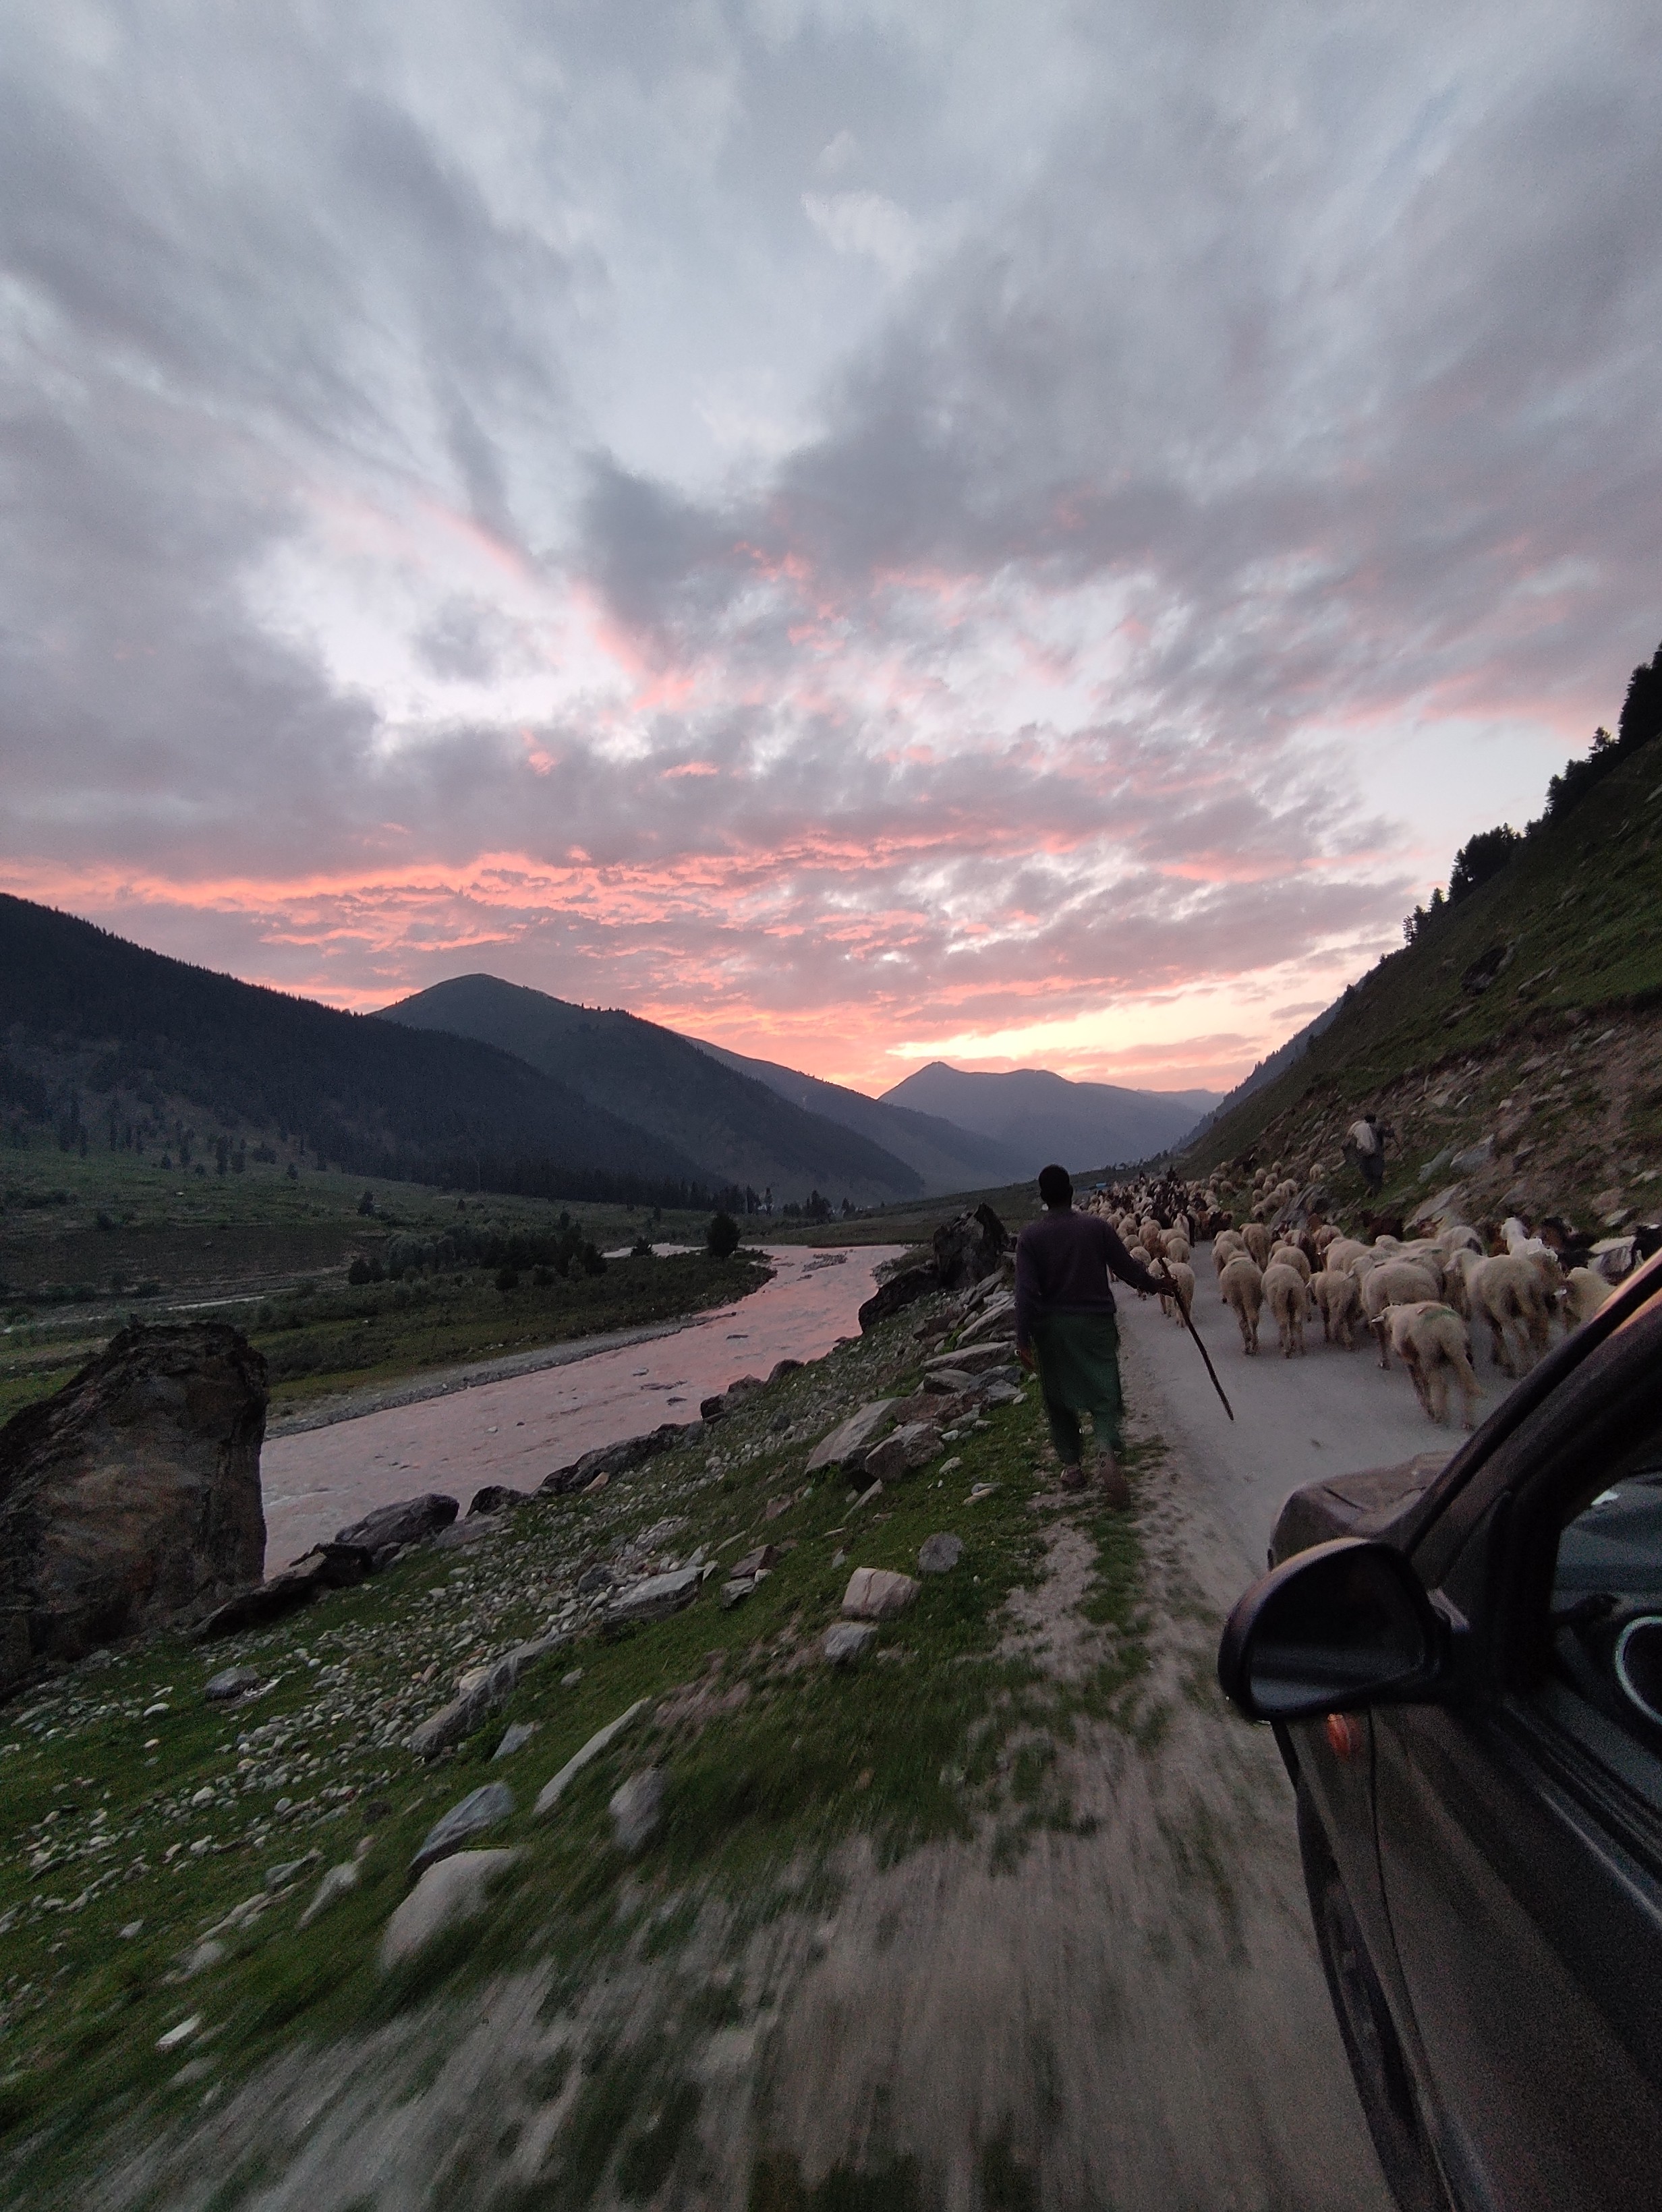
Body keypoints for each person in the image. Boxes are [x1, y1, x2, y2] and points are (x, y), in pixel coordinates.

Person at [1014, 1163, 1169, 1505]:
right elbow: (1125, 1267)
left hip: (1053, 1329)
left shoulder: (1030, 1238)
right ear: (1071, 1193)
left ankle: (1072, 1466)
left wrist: (1022, 1338)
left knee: (1058, 1397)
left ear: (1043, 1198)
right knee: (1105, 1389)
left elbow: (1025, 1291)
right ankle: (1105, 1446)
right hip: (1096, 1322)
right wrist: (1156, 1285)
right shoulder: (1096, 1227)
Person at [1344, 1111, 1387, 1197]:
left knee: (1367, 1172)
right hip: (1373, 1152)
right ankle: (1377, 1191)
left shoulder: (1357, 1127)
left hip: (1362, 1154)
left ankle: (1373, 1188)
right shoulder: (1371, 1127)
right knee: (1377, 1172)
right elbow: (1380, 1137)